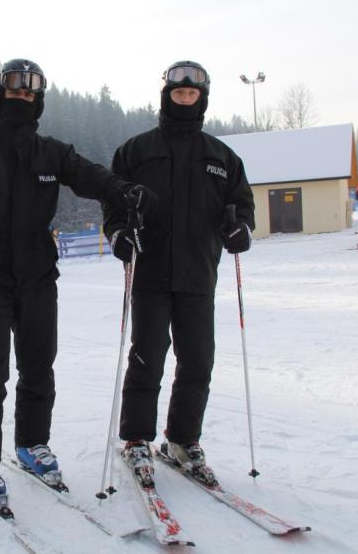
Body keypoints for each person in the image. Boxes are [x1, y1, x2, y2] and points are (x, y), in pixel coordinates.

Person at [0, 58, 156, 507]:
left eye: (28, 95)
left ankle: (32, 444)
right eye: (13, 93)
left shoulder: (52, 153)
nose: (20, 100)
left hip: (36, 273)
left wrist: (122, 191)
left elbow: (91, 176)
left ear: (38, 102)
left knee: (38, 365)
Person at [103, 61, 255, 486]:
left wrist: (241, 226)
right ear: (166, 96)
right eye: (178, 93)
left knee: (197, 362)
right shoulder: (136, 150)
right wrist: (117, 233)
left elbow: (243, 205)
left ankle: (182, 440)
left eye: (191, 94)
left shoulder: (222, 157)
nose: (184, 99)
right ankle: (136, 440)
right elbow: (113, 202)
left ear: (201, 99)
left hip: (199, 274)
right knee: (147, 357)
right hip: (150, 271)